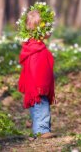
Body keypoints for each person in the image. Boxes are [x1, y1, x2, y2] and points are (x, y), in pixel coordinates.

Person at [18, 9, 56, 139]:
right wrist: (40, 85)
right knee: (41, 107)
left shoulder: (33, 46)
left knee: (39, 107)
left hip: (37, 84)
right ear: (39, 30)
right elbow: (36, 68)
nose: (50, 30)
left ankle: (39, 130)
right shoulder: (36, 48)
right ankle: (42, 131)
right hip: (37, 85)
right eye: (46, 27)